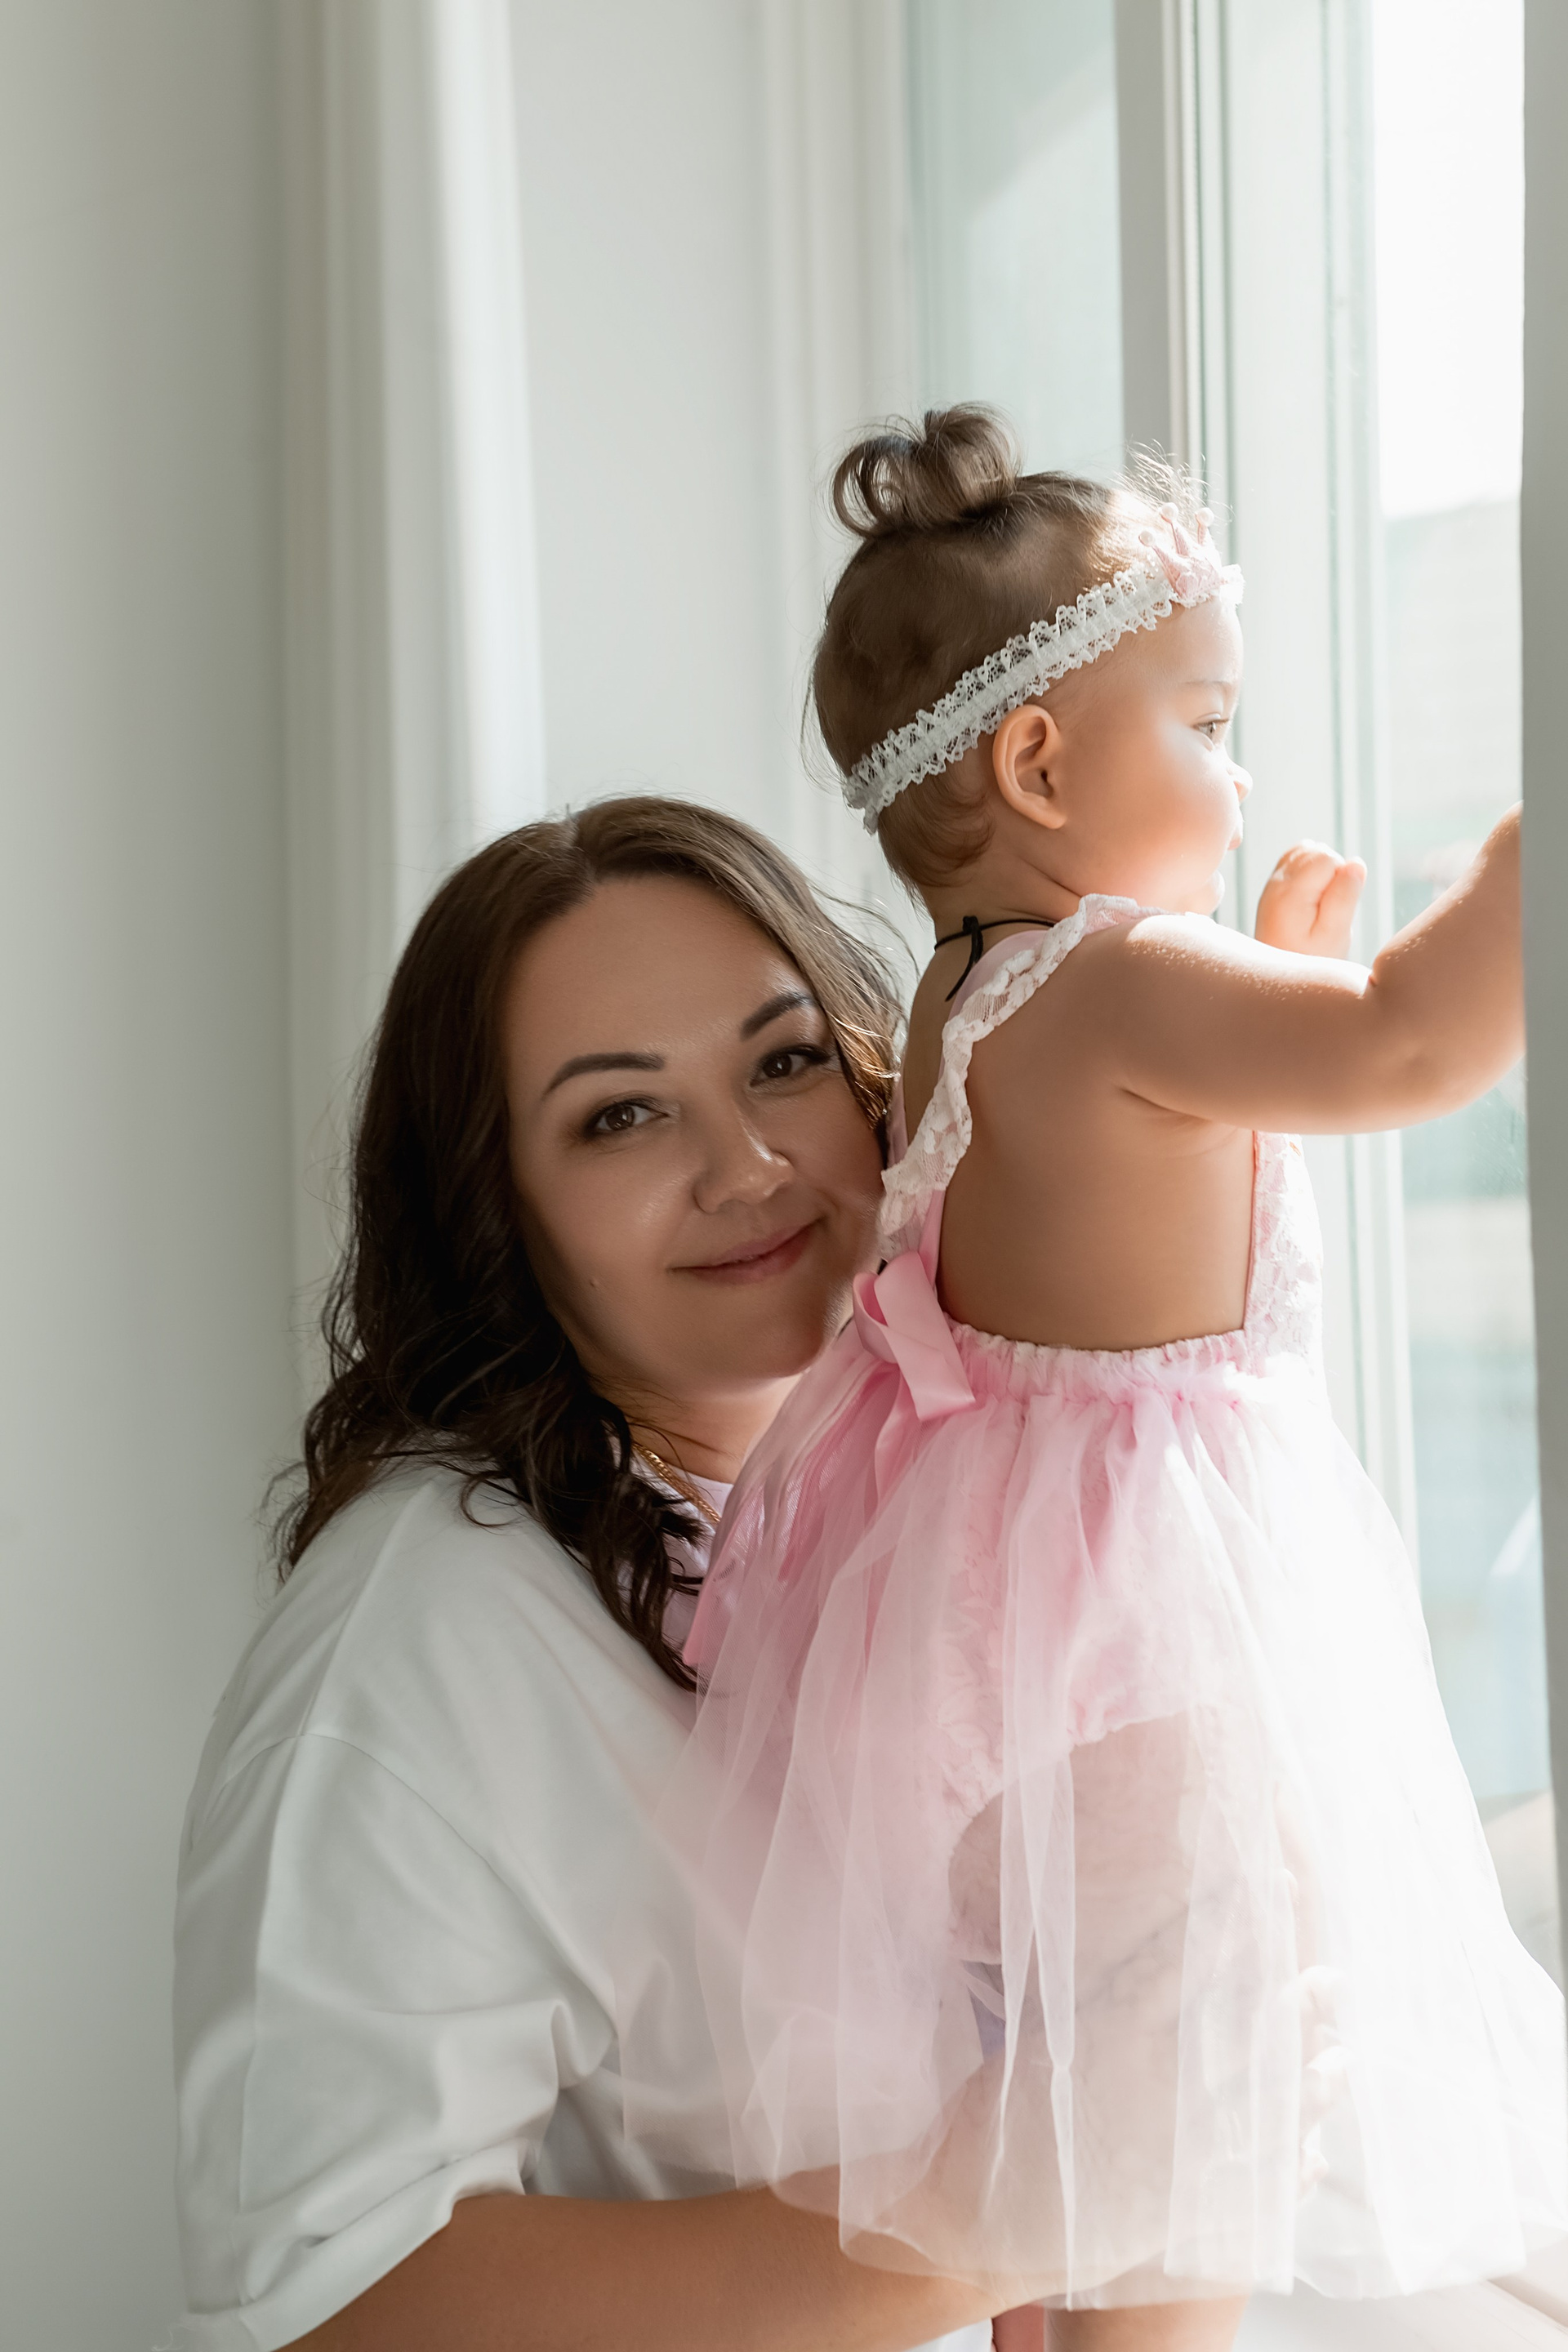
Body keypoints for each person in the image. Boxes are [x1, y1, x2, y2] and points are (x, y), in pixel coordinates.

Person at [615, 410, 1568, 2350]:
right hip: (1149, 1643)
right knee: (1195, 2089)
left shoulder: (964, 995)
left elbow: (1119, 1195)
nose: (1239, 771)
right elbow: (1407, 1047)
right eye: (1207, 723)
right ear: (1040, 765)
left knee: (1077, 2120)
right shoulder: (1121, 978)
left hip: (1004, 1651)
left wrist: (1265, 971)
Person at [169, 797, 1007, 2352]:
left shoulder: (913, 1510)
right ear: (495, 1209)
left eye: (784, 1061)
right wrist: (1003, 2215)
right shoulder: (422, 1633)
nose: (747, 1166)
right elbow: (332, 2303)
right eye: (621, 1116)